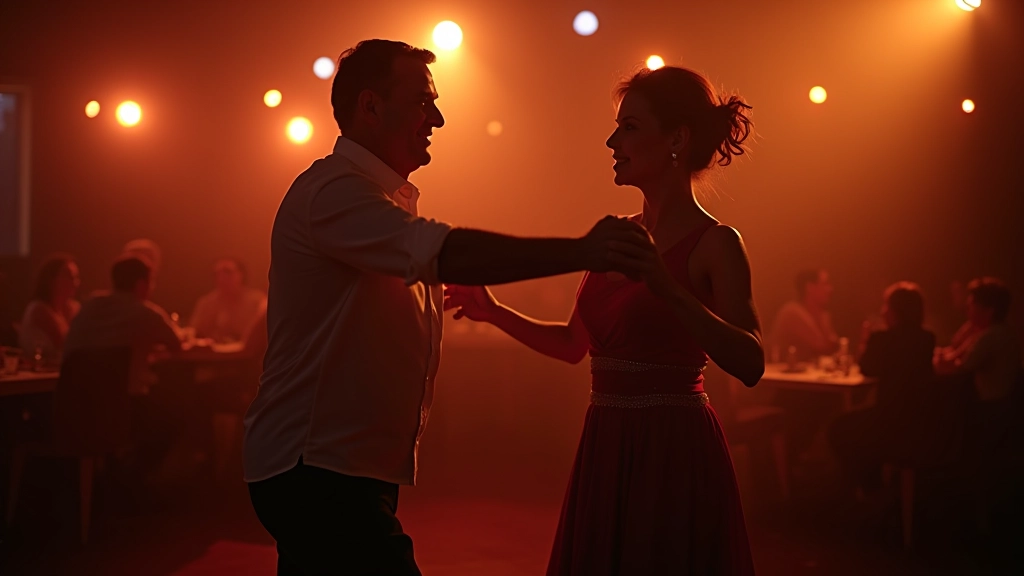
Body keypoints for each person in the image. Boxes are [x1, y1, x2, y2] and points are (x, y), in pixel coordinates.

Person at [242, 39, 653, 576]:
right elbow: (447, 252)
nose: (437, 117)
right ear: (370, 106)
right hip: (317, 465)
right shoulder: (335, 192)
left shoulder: (373, 195)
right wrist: (581, 250)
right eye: (422, 101)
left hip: (335, 464)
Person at [446, 65, 762, 575]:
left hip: (673, 448)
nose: (612, 140)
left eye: (630, 127)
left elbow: (751, 360)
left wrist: (667, 289)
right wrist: (495, 313)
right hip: (607, 443)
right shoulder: (617, 236)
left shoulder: (717, 243)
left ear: (676, 138)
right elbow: (575, 344)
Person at [63, 257, 183, 476]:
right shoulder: (146, 312)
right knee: (173, 418)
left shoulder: (89, 305)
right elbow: (176, 344)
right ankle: (131, 482)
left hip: (72, 408)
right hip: (122, 408)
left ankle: (113, 479)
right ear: (141, 284)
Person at [828, 282, 936, 494]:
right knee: (857, 426)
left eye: (886, 306)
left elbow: (866, 368)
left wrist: (868, 341)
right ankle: (874, 486)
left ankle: (864, 489)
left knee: (838, 429)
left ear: (896, 311)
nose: (882, 311)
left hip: (889, 420)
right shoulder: (927, 339)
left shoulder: (883, 339)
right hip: (920, 421)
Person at [19, 254, 81, 365]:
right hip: (37, 376)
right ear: (51, 280)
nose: (75, 282)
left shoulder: (72, 308)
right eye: (69, 276)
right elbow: (67, 345)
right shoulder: (38, 310)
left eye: (76, 277)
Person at [189, 258, 266, 343]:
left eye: (227, 272)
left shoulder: (258, 302)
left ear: (241, 274)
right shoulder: (206, 303)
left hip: (247, 352)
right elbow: (194, 332)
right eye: (217, 274)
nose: (221, 277)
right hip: (214, 353)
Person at [770, 268, 838, 362]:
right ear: (809, 287)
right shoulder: (792, 313)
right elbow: (824, 346)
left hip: (806, 375)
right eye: (825, 284)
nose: (830, 289)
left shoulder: (821, 314)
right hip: (786, 375)